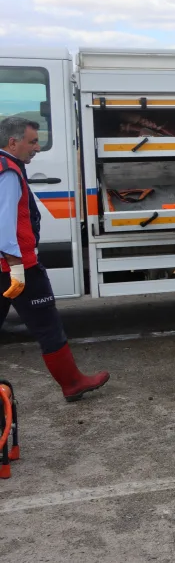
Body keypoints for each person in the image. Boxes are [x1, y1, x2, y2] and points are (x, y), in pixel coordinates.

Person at [0, 116, 109, 402]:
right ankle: (72, 383)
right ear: (13, 143)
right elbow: (5, 224)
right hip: (19, 267)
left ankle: (73, 381)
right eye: (32, 142)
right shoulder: (8, 172)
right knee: (47, 324)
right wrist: (16, 267)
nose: (37, 148)